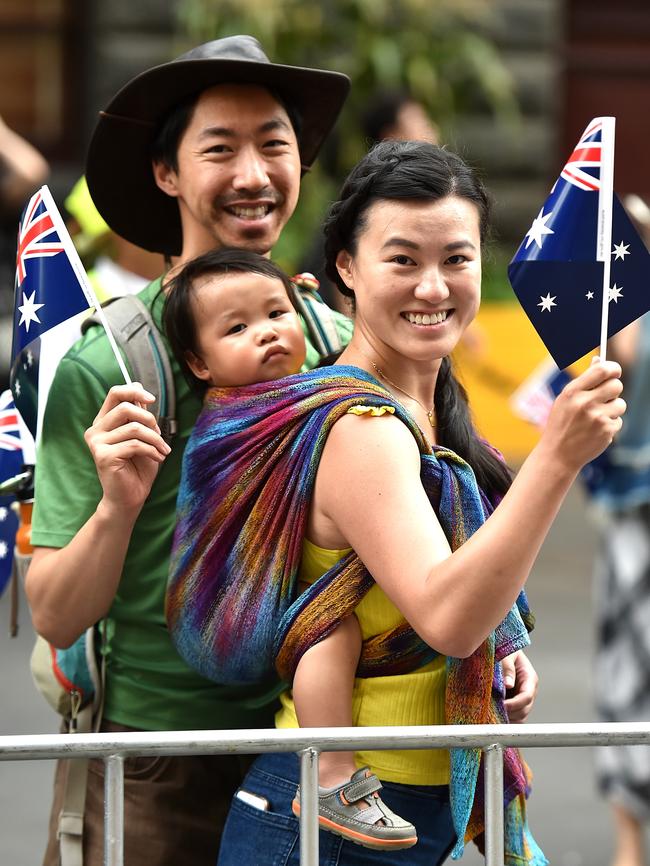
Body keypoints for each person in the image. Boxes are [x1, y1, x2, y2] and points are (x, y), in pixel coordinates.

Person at [177, 139, 626, 866]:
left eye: (456, 258)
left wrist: (497, 654)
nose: (432, 287)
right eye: (402, 260)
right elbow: (447, 617)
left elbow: (462, 614)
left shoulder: (435, 417)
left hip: (406, 813)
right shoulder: (362, 430)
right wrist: (558, 457)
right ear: (347, 270)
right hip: (332, 826)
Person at [24, 35, 351, 866]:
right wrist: (117, 505)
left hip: (313, 750)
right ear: (167, 173)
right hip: (153, 765)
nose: (253, 172)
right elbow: (58, 612)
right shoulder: (109, 363)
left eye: (275, 144)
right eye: (220, 148)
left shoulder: (340, 345)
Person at [162, 245, 417, 850]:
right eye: (237, 328)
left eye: (278, 312)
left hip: (285, 584)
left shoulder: (316, 397)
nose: (268, 334)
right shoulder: (235, 419)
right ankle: (330, 772)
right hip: (228, 600)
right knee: (330, 629)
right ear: (200, 363)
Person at [590, 198, 650, 866]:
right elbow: (620, 359)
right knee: (625, 674)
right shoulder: (627, 300)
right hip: (635, 506)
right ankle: (629, 842)